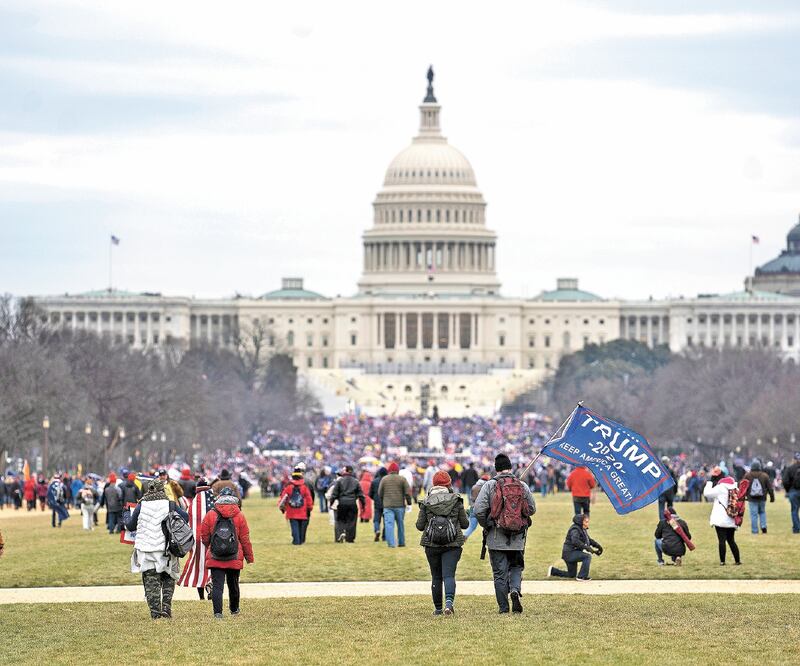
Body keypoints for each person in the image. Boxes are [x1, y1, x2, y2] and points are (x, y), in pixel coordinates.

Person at [474, 454, 536, 614]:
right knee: (516, 567)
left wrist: (487, 524)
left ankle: (503, 608)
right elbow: (532, 508)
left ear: (496, 468)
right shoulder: (521, 485)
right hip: (518, 536)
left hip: (496, 536)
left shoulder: (489, 485)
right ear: (510, 467)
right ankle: (515, 590)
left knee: (499, 573)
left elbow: (478, 510)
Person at [124, 479, 189, 619]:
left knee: (151, 580)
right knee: (168, 577)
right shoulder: (170, 504)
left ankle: (155, 612)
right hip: (166, 548)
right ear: (162, 490)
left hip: (146, 549)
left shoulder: (142, 504)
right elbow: (185, 518)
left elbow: (130, 526)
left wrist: (126, 514)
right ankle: (166, 607)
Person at [416, 470, 469, 616]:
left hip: (431, 544)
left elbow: (420, 526)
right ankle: (449, 604)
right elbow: (465, 524)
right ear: (448, 484)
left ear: (433, 484)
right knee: (449, 575)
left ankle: (438, 608)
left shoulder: (426, 502)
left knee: (436, 576)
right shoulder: (456, 500)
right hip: (453, 544)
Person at [199, 487, 254, 619]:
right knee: (233, 584)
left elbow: (204, 536)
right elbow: (245, 538)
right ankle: (234, 609)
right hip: (234, 555)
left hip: (215, 556)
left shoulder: (211, 514)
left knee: (217, 586)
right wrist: (249, 557)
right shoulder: (239, 514)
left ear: (219, 498)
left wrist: (212, 546)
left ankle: (218, 612)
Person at [178, 479, 214, 600]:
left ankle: (201, 597)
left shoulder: (192, 504)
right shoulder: (212, 502)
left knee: (198, 567)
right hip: (211, 540)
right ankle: (211, 586)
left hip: (196, 540)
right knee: (212, 565)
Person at [548, 514, 603, 581]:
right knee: (587, 557)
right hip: (569, 553)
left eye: (588, 521)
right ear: (580, 522)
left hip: (571, 553)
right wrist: (587, 548)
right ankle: (582, 576)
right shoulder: (575, 529)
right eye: (586, 521)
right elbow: (575, 541)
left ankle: (553, 571)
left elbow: (589, 540)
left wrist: (598, 547)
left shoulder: (582, 529)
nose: (588, 523)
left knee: (571, 575)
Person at [703, 470, 741, 566]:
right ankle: (737, 560)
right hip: (732, 518)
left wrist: (710, 482)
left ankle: (722, 561)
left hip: (720, 519)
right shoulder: (735, 488)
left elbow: (706, 493)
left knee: (721, 540)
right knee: (731, 540)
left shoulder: (720, 487)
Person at [379, 462, 412, 548]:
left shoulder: (384, 479)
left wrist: (384, 499)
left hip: (388, 506)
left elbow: (380, 493)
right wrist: (409, 504)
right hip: (400, 506)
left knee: (389, 525)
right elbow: (407, 493)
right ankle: (401, 542)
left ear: (389, 470)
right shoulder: (402, 479)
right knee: (400, 525)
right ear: (397, 470)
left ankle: (391, 544)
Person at [330, 465, 365, 543]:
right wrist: (363, 505)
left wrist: (331, 503)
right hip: (352, 503)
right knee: (352, 521)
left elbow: (334, 494)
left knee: (340, 520)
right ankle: (350, 538)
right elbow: (361, 495)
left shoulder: (339, 481)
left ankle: (341, 532)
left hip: (342, 503)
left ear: (346, 471)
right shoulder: (356, 481)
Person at [279, 468, 314, 545]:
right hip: (303, 510)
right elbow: (309, 498)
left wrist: (282, 508)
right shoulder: (304, 487)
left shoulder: (288, 486)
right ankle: (301, 541)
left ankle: (296, 541)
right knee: (301, 526)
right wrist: (310, 507)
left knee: (294, 526)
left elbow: (283, 498)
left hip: (291, 510)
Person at [743, 460, 774, 534]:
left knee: (753, 515)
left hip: (751, 498)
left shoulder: (747, 475)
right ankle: (763, 526)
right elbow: (770, 488)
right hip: (762, 498)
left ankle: (755, 531)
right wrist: (772, 497)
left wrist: (742, 496)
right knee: (762, 512)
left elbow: (743, 486)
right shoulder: (764, 475)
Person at [463, 474, 490, 541]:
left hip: (473, 508)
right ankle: (488, 539)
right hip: (482, 509)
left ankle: (465, 536)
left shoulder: (474, 486)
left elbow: (470, 498)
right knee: (487, 526)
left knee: (471, 527)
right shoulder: (486, 487)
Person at [783, 452, 800, 534]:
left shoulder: (790, 468)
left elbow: (785, 481)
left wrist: (788, 490)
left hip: (793, 491)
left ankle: (796, 528)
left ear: (794, 459)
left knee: (794, 511)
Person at [369, 467, 387, 542]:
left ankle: (377, 530)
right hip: (386, 503)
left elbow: (370, 494)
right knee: (386, 520)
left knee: (376, 519)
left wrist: (375, 499)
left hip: (377, 503)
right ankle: (384, 536)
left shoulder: (374, 481)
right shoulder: (387, 481)